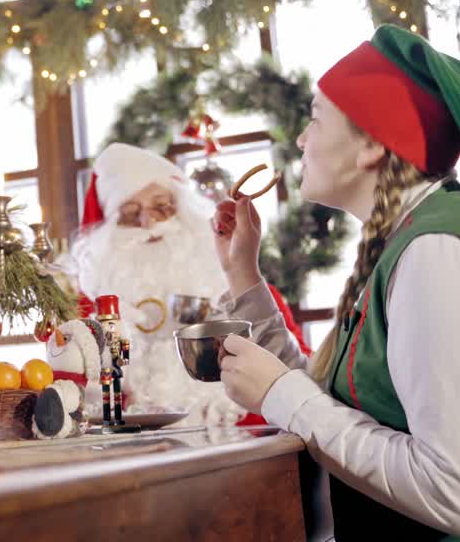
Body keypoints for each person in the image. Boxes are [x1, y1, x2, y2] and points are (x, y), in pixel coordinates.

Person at [212, 25, 460, 540]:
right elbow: (335, 410)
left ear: (369, 146)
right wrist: (243, 275)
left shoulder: (438, 257)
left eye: (315, 121)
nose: (299, 139)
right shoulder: (406, 243)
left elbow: (457, 496)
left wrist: (280, 394)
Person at [67, 142, 309, 426]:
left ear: (184, 210)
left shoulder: (246, 295)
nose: (148, 223)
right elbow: (75, 398)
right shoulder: (88, 315)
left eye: (161, 207)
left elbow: (297, 381)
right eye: (131, 213)